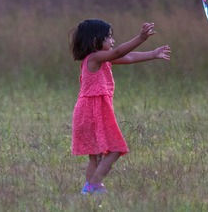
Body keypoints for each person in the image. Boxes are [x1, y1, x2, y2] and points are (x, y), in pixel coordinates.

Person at [69, 19, 171, 195]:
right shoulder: (95, 58)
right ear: (95, 41)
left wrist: (152, 54)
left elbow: (128, 57)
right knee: (115, 149)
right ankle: (93, 186)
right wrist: (140, 38)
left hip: (88, 111)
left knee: (96, 156)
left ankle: (89, 191)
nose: (112, 41)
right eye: (109, 37)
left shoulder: (101, 60)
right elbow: (118, 52)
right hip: (92, 112)